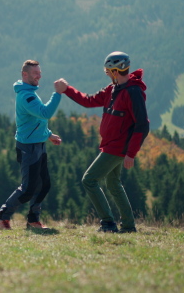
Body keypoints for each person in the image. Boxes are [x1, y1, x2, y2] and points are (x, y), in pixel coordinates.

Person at [54, 51, 149, 233]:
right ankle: (128, 226)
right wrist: (67, 90)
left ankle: (108, 223)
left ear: (115, 70)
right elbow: (89, 101)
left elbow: (142, 125)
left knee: (89, 180)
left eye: (108, 70)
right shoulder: (112, 90)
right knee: (113, 184)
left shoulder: (133, 92)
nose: (106, 73)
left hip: (117, 148)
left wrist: (131, 153)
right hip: (111, 145)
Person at [0, 60, 64, 230]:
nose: (39, 75)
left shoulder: (30, 92)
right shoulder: (26, 96)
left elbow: (35, 120)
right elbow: (45, 113)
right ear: (25, 75)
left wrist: (48, 135)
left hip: (38, 145)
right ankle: (2, 218)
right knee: (28, 189)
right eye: (36, 73)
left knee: (44, 184)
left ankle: (33, 220)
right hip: (29, 148)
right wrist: (58, 94)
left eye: (40, 72)